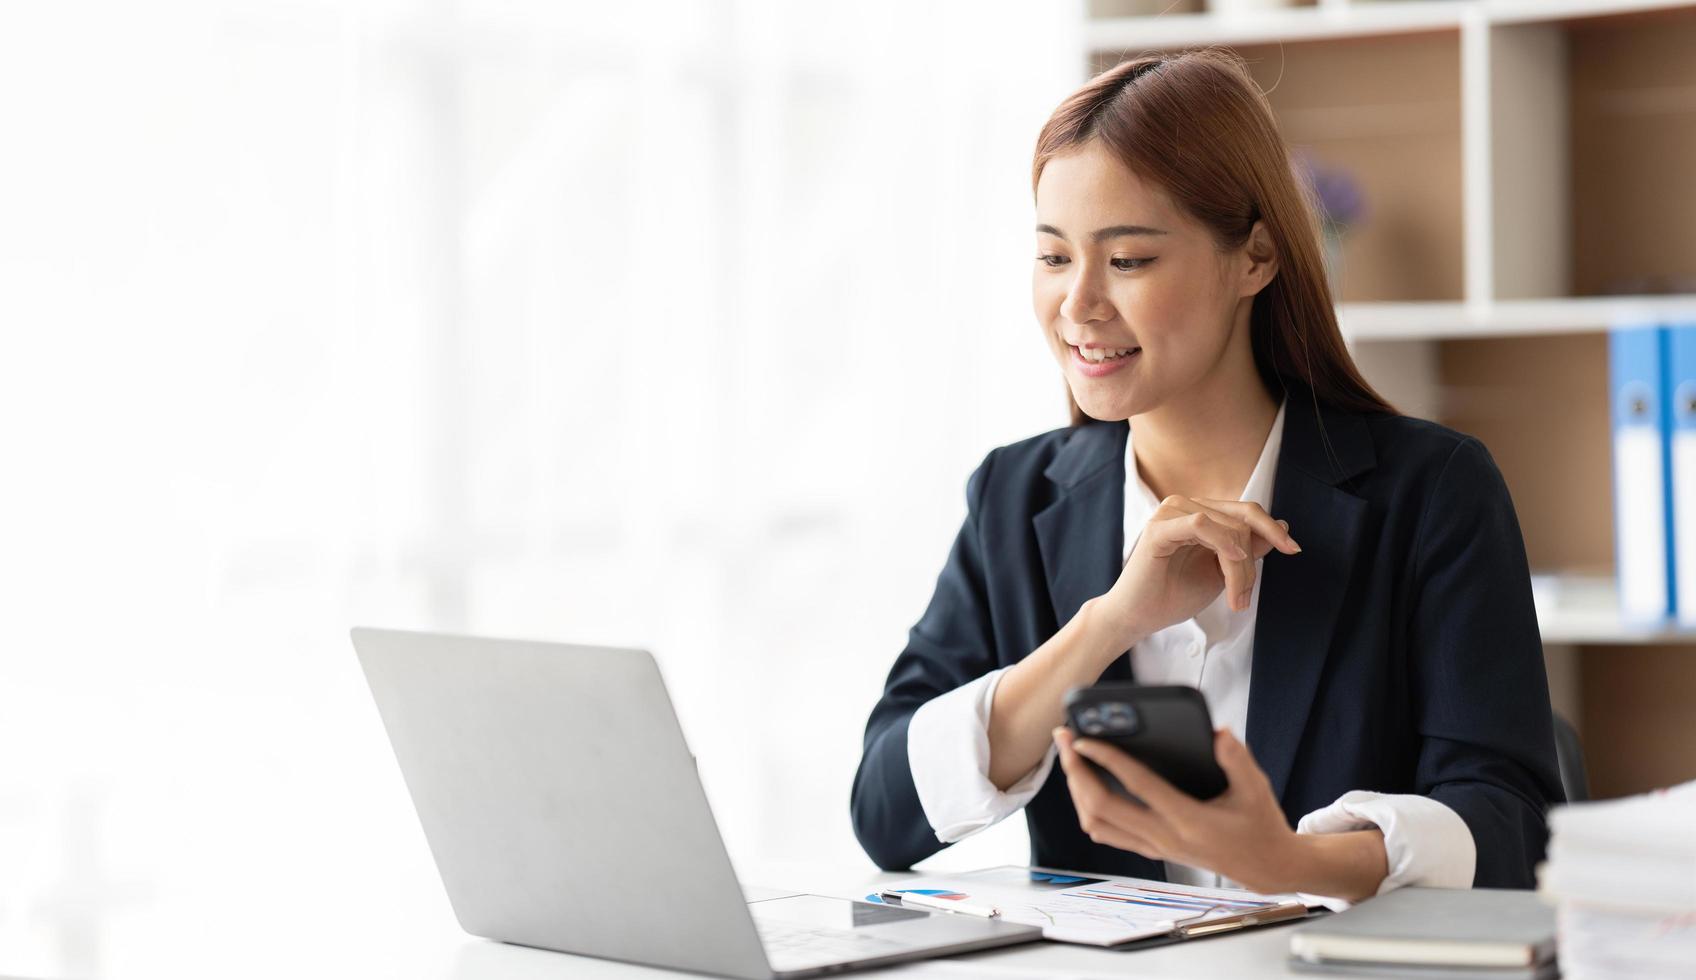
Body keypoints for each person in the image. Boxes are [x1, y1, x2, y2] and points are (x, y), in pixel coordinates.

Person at [848, 50, 1564, 906]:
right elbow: (884, 812)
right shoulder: (1016, 497)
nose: (1078, 304)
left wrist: (1292, 864)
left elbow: (1514, 826)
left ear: (1254, 258)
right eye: (1052, 257)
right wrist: (1109, 623)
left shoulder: (1433, 491)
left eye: (1128, 260)